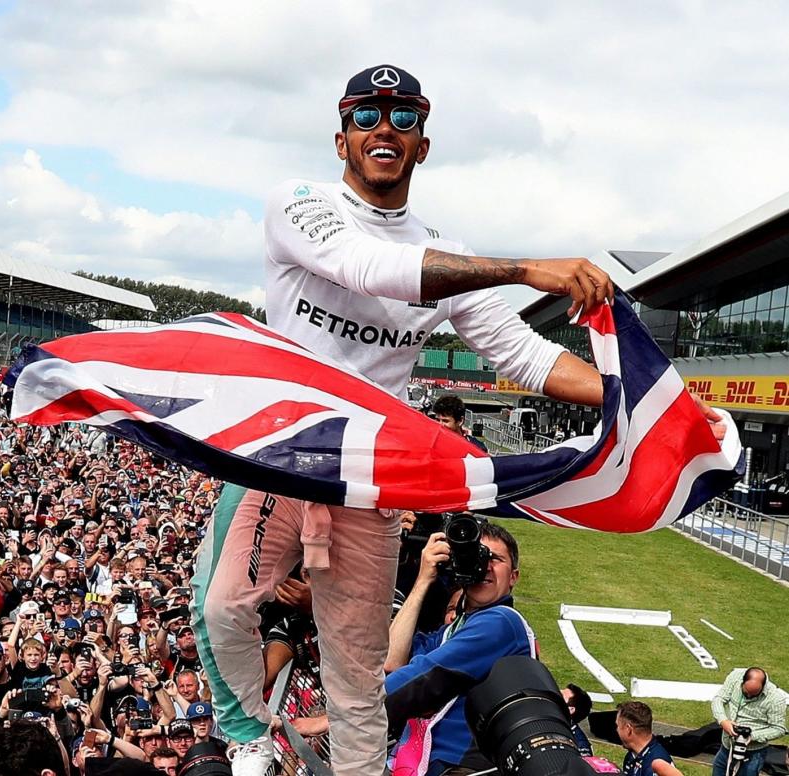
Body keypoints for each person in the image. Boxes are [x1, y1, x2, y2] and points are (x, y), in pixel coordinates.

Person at [191, 61, 654, 776]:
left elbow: (524, 356)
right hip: (279, 452)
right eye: (366, 116)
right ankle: (247, 735)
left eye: (404, 118)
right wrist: (525, 268)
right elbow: (364, 265)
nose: (385, 128)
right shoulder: (299, 204)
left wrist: (644, 403)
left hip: (365, 475)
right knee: (221, 607)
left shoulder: (448, 254)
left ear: (422, 144)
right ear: (341, 139)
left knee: (356, 661)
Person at [382, 521, 533, 775]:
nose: (484, 565)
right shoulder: (453, 629)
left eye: (495, 559)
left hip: (462, 767)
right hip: (430, 763)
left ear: (513, 577)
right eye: (476, 556)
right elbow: (391, 661)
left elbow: (425, 674)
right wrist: (423, 579)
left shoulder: (502, 622)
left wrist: (347, 714)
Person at [710, 667, 787, 776]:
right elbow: (718, 699)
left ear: (763, 686)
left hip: (753, 754)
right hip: (726, 748)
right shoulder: (735, 677)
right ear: (742, 681)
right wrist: (723, 720)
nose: (749, 696)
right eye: (746, 692)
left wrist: (751, 736)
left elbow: (779, 729)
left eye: (754, 694)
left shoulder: (776, 699)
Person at [615, 701, 682, 776]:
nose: (617, 730)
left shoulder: (655, 765)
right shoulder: (632, 755)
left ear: (628, 729)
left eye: (618, 726)